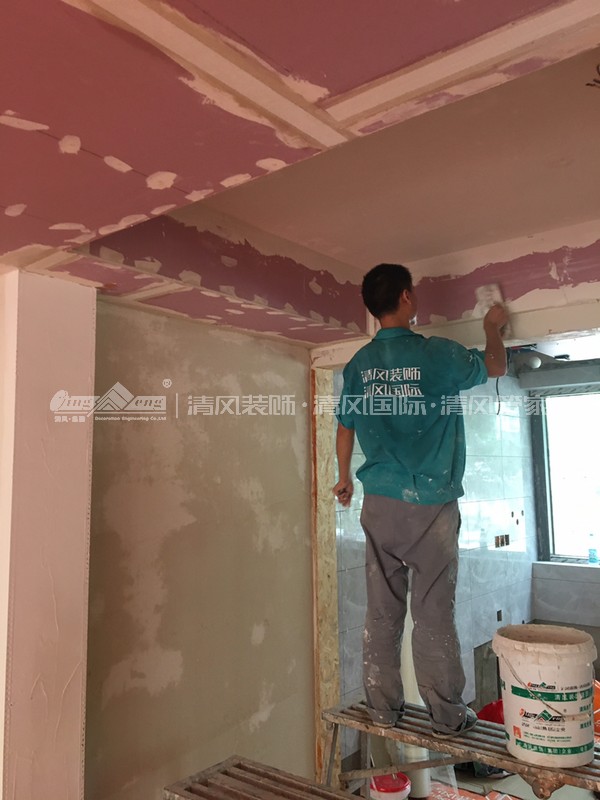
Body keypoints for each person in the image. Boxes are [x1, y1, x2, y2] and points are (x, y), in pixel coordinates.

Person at [332, 263, 507, 737]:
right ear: (406, 298)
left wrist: (344, 477)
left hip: (379, 504)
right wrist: (492, 327)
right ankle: (447, 715)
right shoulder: (436, 355)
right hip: (430, 506)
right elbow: (496, 365)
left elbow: (345, 425)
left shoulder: (358, 365)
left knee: (381, 611)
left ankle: (382, 710)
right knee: (431, 613)